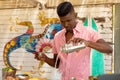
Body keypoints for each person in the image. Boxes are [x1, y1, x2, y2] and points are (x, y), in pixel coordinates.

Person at [34, 1, 113, 80]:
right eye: (62, 21)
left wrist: (88, 43)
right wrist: (46, 58)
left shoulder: (89, 32)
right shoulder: (57, 37)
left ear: (75, 15)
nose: (66, 25)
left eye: (68, 20)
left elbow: (108, 49)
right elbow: (57, 63)